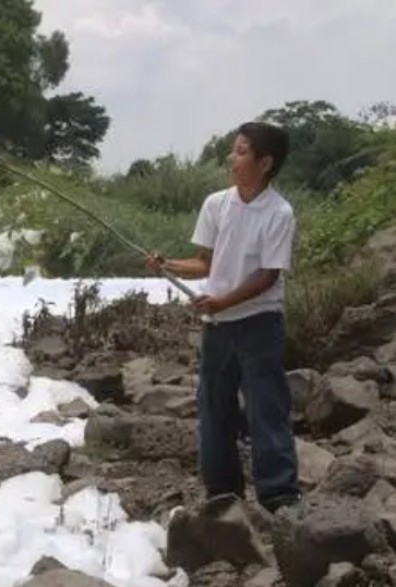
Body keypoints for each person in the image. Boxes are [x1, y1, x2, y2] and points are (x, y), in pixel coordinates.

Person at [146, 121, 301, 514]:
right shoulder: (217, 203)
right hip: (218, 326)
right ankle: (222, 493)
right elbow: (204, 264)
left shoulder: (279, 212)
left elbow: (268, 277)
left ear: (265, 163)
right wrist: (166, 265)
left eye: (242, 151)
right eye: (234, 150)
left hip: (259, 323)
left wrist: (222, 302)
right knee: (214, 408)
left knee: (266, 406)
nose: (232, 158)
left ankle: (279, 496)